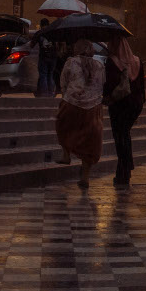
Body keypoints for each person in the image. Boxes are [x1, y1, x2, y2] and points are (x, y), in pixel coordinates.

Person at [55, 39, 105, 188]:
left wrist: (67, 96)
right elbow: (103, 83)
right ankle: (85, 177)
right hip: (94, 107)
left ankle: (66, 154)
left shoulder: (71, 62)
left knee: (62, 127)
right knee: (90, 143)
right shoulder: (99, 65)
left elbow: (63, 82)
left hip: (72, 103)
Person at [103, 36, 145, 187]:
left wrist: (106, 98)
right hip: (135, 105)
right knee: (125, 135)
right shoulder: (137, 61)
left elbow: (109, 85)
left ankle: (124, 172)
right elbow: (141, 86)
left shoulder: (113, 61)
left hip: (119, 105)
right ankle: (124, 171)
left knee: (120, 138)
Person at [31, 19, 57, 97]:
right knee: (50, 75)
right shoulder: (53, 33)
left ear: (41, 25)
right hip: (53, 57)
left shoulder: (39, 33)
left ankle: (44, 93)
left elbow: (31, 45)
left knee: (43, 75)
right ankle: (51, 93)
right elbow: (58, 45)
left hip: (43, 57)